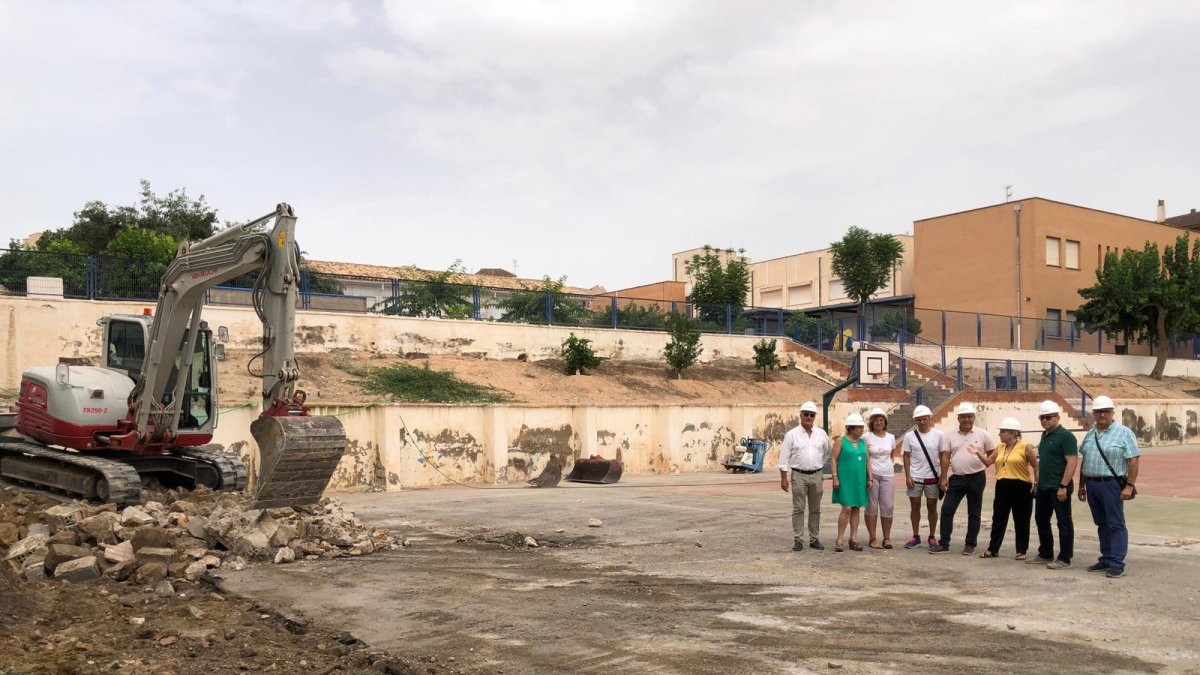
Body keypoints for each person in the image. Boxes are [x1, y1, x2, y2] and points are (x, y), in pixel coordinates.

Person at [1077, 395, 1140, 578]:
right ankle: (1106, 557)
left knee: (1115, 524)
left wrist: (1129, 486)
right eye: (1098, 412)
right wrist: (1082, 486)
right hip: (1092, 484)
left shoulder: (1124, 433)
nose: (1102, 415)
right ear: (1094, 414)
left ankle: (1117, 562)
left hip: (1111, 485)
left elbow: (1133, 461)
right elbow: (1085, 460)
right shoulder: (1091, 433)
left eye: (1106, 411)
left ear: (1112, 413)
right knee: (1101, 524)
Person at [932, 402, 996, 555]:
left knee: (974, 512)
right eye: (963, 417)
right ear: (958, 418)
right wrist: (943, 478)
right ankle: (944, 543)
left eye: (969, 416)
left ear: (974, 417)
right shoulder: (950, 435)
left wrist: (983, 465)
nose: (966, 419)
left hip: (977, 478)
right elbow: (946, 457)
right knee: (947, 509)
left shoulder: (983, 434)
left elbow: (993, 453)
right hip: (957, 478)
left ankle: (970, 544)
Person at [978, 417, 1038, 559]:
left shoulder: (1025, 446)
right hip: (1003, 485)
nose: (999, 434)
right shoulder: (1000, 447)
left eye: (1002, 431)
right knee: (998, 517)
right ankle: (993, 549)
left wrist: (1036, 484)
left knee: (1021, 518)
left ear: (1012, 433)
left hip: (1021, 485)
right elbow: (988, 462)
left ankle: (1021, 550)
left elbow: (1036, 466)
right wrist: (977, 453)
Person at [779, 401, 832, 552]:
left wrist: (820, 464)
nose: (808, 417)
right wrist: (783, 478)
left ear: (814, 417)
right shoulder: (791, 435)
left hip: (816, 475)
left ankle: (814, 539)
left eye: (811, 415)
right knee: (799, 509)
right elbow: (784, 457)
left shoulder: (821, 434)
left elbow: (828, 452)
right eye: (806, 414)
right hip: (799, 475)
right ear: (801, 415)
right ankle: (798, 539)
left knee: (815, 509)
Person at [1031, 400, 1078, 569]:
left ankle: (1065, 558)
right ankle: (1045, 552)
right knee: (1041, 519)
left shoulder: (1066, 437)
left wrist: (1064, 485)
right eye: (1042, 418)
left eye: (1048, 417)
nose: (1045, 421)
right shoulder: (1045, 436)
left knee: (1063, 522)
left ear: (1057, 417)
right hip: (1044, 486)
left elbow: (1072, 462)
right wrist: (1037, 483)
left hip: (1058, 487)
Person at [901, 405, 946, 549]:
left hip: (932, 477)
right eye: (918, 420)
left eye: (924, 419)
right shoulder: (910, 436)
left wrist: (943, 476)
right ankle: (915, 535)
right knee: (915, 506)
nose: (921, 422)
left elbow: (942, 455)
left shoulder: (938, 435)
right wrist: (908, 476)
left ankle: (932, 536)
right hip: (916, 477)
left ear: (930, 419)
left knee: (932, 507)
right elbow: (906, 456)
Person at [831, 413, 872, 552]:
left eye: (862, 427)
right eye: (859, 428)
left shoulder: (862, 443)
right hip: (845, 479)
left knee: (856, 507)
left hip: (859, 479)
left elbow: (868, 462)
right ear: (851, 428)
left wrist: (870, 478)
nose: (862, 430)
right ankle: (839, 539)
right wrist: (835, 477)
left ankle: (853, 539)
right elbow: (834, 459)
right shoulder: (840, 441)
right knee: (846, 508)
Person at [864, 408, 897, 549]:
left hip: (888, 475)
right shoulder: (866, 437)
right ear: (872, 422)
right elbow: (866, 457)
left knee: (888, 506)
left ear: (885, 422)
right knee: (871, 506)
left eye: (881, 420)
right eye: (876, 420)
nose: (879, 422)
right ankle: (872, 538)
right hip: (873, 475)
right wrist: (869, 476)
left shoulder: (891, 437)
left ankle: (887, 538)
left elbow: (892, 454)